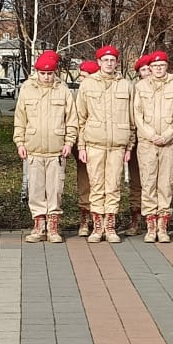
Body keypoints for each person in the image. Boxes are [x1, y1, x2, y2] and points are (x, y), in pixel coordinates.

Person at [14, 49, 76, 244]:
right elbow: (20, 118)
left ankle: (53, 227)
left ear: (55, 72)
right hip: (33, 148)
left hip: (56, 150)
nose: (46, 77)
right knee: (36, 189)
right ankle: (39, 226)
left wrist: (69, 142)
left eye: (50, 73)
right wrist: (20, 142)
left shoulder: (63, 90)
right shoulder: (27, 89)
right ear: (37, 72)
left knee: (55, 189)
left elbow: (71, 119)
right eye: (43, 73)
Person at [76, 45, 134, 243]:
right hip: (95, 143)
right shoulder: (88, 85)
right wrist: (81, 146)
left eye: (112, 60)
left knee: (113, 186)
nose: (109, 63)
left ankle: (110, 226)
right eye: (105, 60)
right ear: (99, 62)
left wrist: (129, 146)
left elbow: (131, 118)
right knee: (96, 185)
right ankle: (97, 226)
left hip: (117, 145)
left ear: (116, 63)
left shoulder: (125, 85)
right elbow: (80, 118)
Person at [132, 50, 173, 242]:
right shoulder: (140, 86)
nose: (158, 69)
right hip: (148, 143)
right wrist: (151, 134)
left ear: (167, 66)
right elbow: (137, 114)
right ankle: (150, 226)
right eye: (155, 66)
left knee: (165, 183)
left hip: (169, 143)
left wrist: (168, 135)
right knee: (148, 183)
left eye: (161, 66)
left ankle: (163, 226)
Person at [125, 54, 151, 236]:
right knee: (136, 182)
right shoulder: (134, 90)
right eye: (143, 70)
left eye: (150, 69)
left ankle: (154, 219)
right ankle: (135, 218)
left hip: (156, 143)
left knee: (154, 183)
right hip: (136, 142)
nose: (147, 73)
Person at [72, 60, 98, 235]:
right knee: (84, 182)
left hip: (99, 143)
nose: (81, 80)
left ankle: (99, 218)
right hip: (82, 144)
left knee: (99, 183)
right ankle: (84, 218)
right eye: (80, 76)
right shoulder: (76, 95)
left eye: (85, 76)